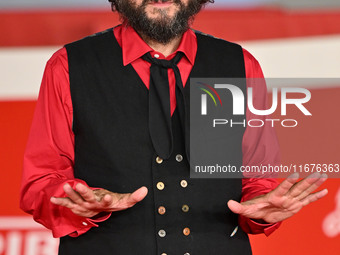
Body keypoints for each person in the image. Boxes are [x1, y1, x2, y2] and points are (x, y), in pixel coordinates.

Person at [20, 0, 328, 254]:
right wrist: (81, 200)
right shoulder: (69, 66)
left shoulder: (239, 65)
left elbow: (257, 181)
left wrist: (263, 209)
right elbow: (40, 183)